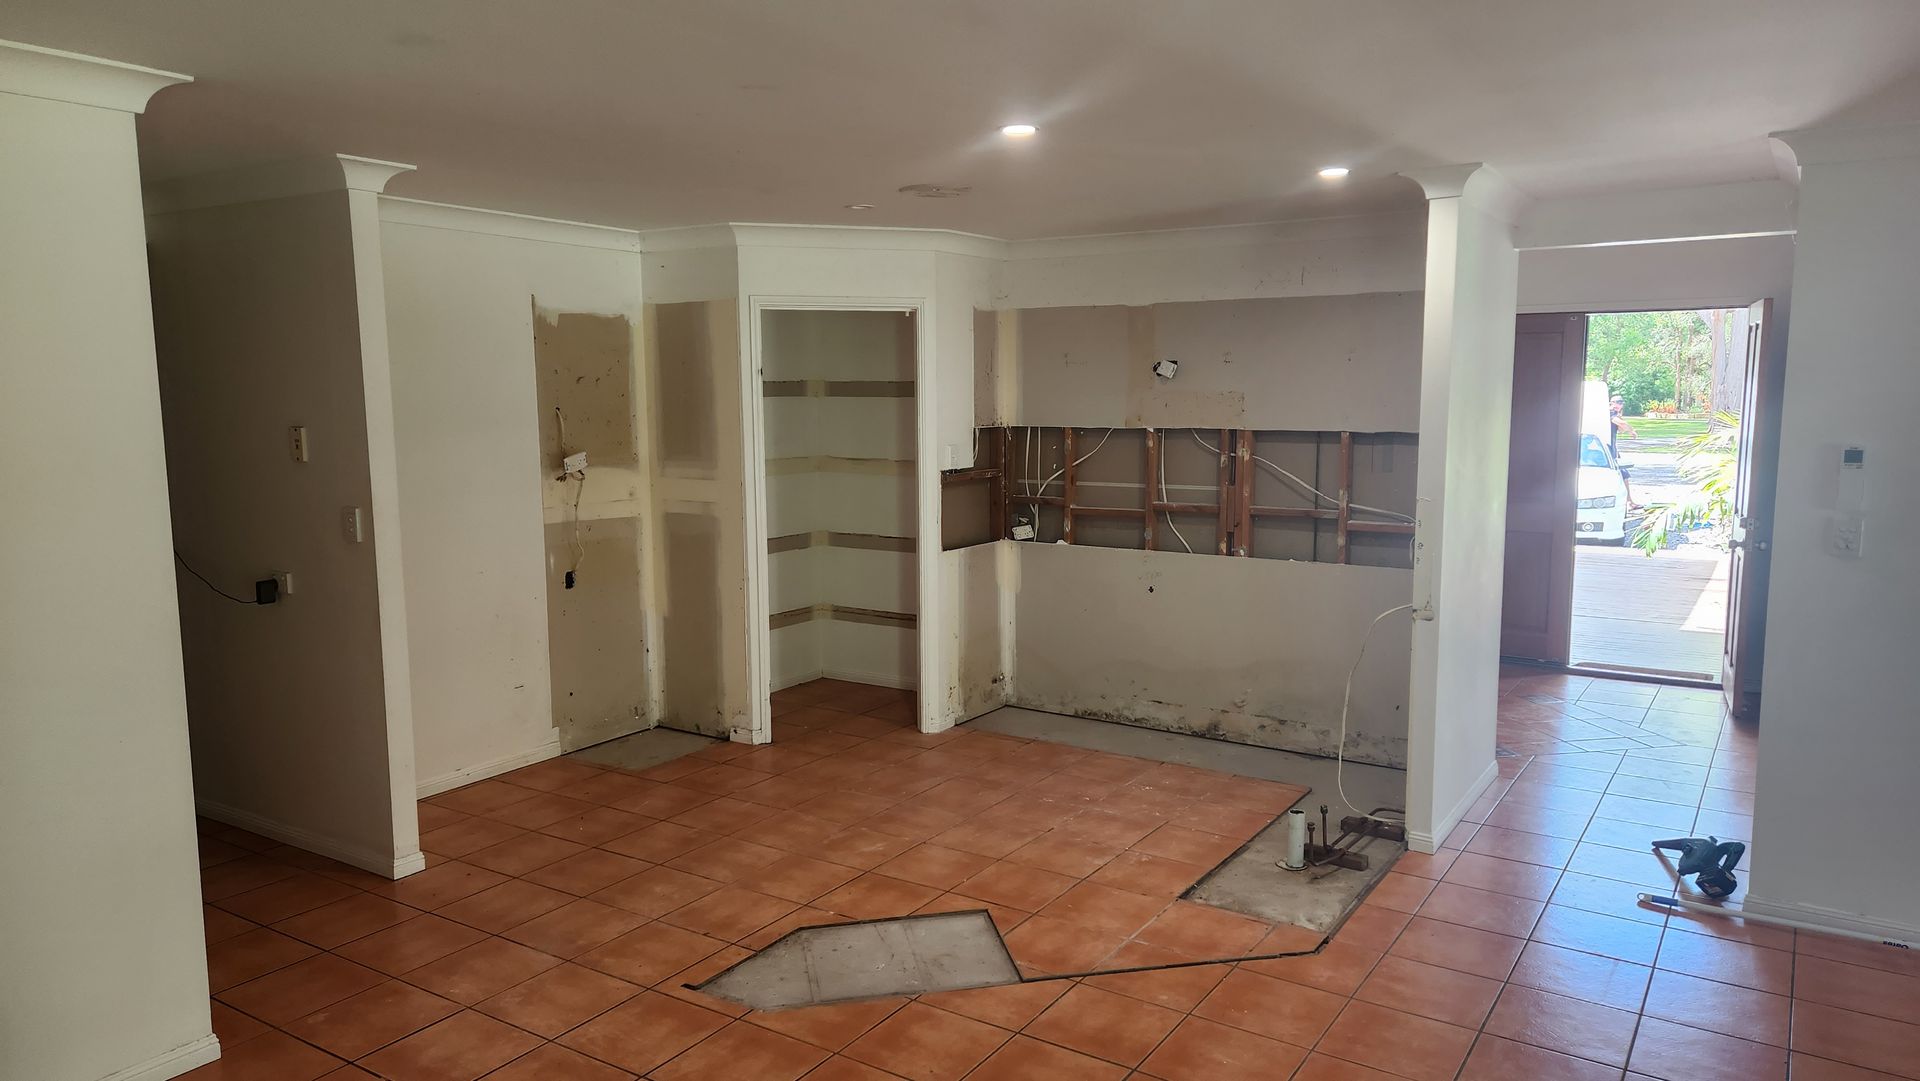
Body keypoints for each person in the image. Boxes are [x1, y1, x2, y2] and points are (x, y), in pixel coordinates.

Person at [1609, 397, 1639, 508]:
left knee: (1624, 474)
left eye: (1620, 402)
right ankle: (1628, 501)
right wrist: (1632, 431)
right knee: (1622, 473)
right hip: (1607, 450)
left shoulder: (1615, 414)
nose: (1617, 404)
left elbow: (1621, 430)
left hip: (1612, 449)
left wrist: (1620, 420)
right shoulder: (1610, 412)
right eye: (1615, 402)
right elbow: (1623, 425)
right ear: (1610, 403)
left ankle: (1629, 501)